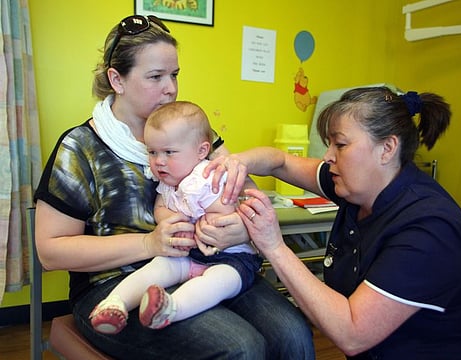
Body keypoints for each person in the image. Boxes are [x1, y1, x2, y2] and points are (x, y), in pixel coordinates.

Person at [33, 14, 314, 359]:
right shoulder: (80, 148)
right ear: (116, 79)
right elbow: (51, 251)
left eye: (175, 75)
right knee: (240, 347)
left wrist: (238, 228)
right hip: (113, 283)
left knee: (293, 335)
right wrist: (149, 242)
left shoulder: (189, 131)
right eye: (155, 76)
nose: (171, 88)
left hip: (207, 263)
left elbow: (245, 195)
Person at [207, 86, 461, 359]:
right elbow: (280, 162)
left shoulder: (430, 228)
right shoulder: (358, 187)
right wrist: (235, 163)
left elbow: (352, 333)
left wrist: (273, 245)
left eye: (340, 144)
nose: (328, 156)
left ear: (387, 148)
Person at [89, 101, 263, 334]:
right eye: (152, 152)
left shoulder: (206, 176)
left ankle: (171, 308)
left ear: (201, 151)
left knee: (220, 281)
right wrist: (171, 220)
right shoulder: (168, 180)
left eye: (169, 152)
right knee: (158, 267)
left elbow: (225, 208)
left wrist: (205, 223)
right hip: (187, 253)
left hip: (229, 258)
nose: (159, 160)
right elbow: (160, 207)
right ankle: (114, 303)